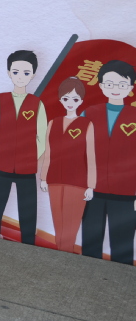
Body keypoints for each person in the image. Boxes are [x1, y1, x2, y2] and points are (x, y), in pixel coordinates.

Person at [0, 50, 47, 245]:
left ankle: (28, 243)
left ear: (33, 75)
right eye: (16, 72)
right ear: (9, 72)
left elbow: (42, 134)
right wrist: (0, 149)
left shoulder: (37, 103)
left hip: (27, 167)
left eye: (26, 73)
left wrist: (32, 155)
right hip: (2, 164)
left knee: (28, 210)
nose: (20, 77)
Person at [81, 60, 136, 265]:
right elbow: (77, 152)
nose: (115, 88)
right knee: (90, 245)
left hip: (126, 193)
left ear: (131, 87)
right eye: (110, 83)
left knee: (123, 247)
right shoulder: (89, 113)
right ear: (101, 85)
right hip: (92, 191)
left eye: (122, 84)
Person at [39, 77, 96, 253]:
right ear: (60, 99)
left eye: (75, 99)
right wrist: (43, 178)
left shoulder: (86, 124)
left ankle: (66, 256)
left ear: (81, 101)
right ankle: (61, 255)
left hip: (77, 182)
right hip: (54, 179)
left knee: (71, 225)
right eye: (66, 98)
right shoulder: (53, 123)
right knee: (58, 222)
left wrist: (91, 185)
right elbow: (48, 153)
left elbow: (91, 156)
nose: (70, 102)